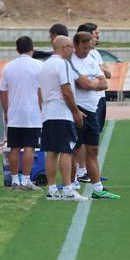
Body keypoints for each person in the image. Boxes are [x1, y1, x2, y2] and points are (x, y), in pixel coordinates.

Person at [70, 32, 119, 199]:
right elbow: (82, 83)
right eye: (84, 48)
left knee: (93, 149)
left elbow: (104, 83)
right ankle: (71, 185)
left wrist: (92, 84)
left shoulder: (91, 60)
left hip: (91, 109)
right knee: (74, 150)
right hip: (78, 109)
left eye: (89, 47)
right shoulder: (70, 62)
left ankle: (98, 188)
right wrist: (93, 83)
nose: (87, 51)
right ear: (75, 45)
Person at [38, 36, 87, 201]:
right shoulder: (63, 64)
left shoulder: (45, 65)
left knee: (51, 152)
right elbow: (66, 89)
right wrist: (76, 112)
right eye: (71, 48)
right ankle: (67, 188)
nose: (73, 51)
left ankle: (52, 189)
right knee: (67, 151)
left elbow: (39, 93)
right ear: (65, 48)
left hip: (48, 112)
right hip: (61, 113)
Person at [0, 36, 44, 191]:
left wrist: (6, 111)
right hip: (32, 113)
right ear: (32, 48)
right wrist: (42, 109)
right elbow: (40, 92)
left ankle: (14, 180)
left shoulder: (8, 67)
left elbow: (3, 92)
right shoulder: (39, 66)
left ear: (17, 49)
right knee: (30, 147)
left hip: (15, 113)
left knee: (14, 148)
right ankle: (25, 180)